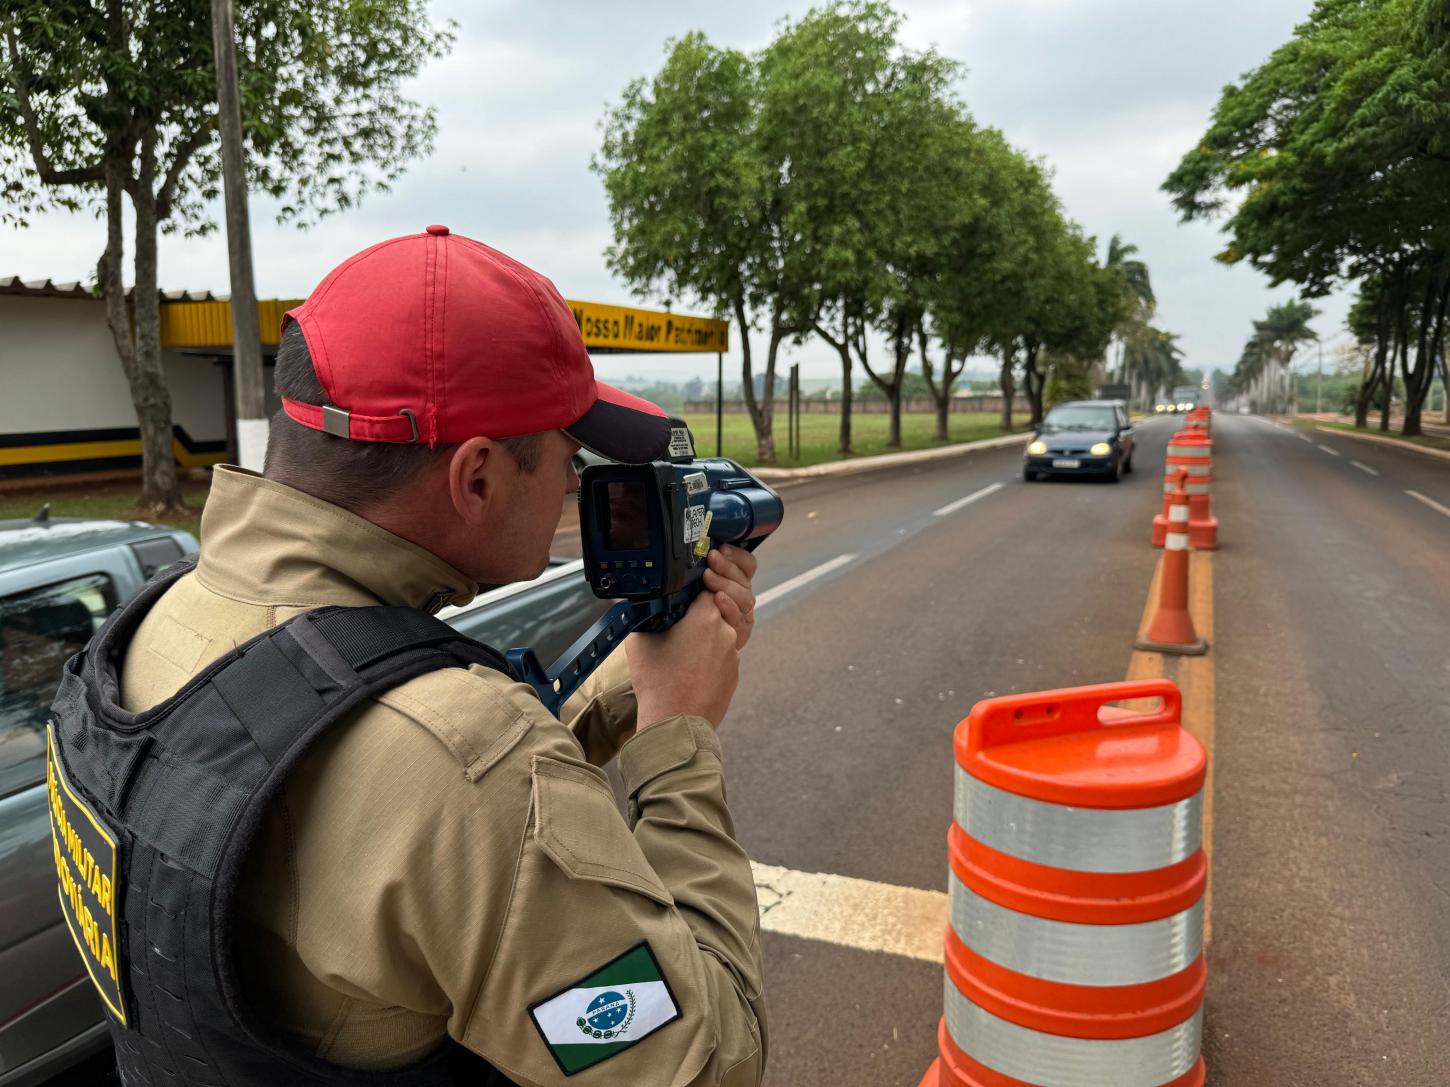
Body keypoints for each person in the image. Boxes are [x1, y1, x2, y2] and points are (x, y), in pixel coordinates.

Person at [52, 227, 766, 1086]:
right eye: (567, 459)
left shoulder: (146, 629)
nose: (571, 487)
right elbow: (709, 1061)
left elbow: (384, 831)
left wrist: (630, 691)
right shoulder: (464, 759)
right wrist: (677, 733)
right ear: (477, 478)